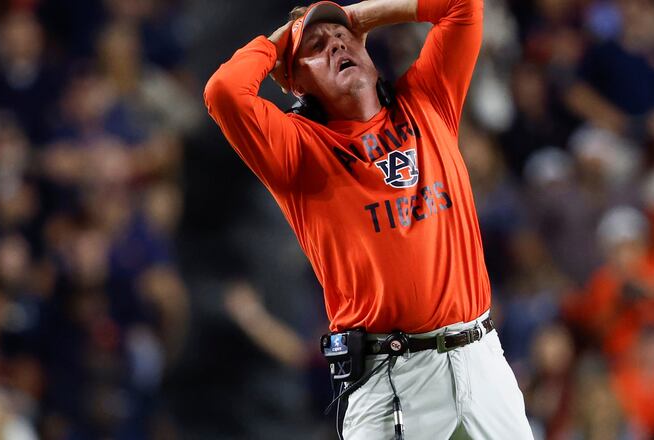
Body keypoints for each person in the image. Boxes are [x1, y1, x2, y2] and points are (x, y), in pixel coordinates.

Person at [203, 0, 533, 438]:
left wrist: (362, 17)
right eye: (317, 46)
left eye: (342, 37)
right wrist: (282, 41)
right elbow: (224, 90)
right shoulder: (299, 150)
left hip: (482, 358)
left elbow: (463, 7)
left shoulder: (428, 100)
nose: (337, 43)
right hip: (394, 379)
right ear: (294, 81)